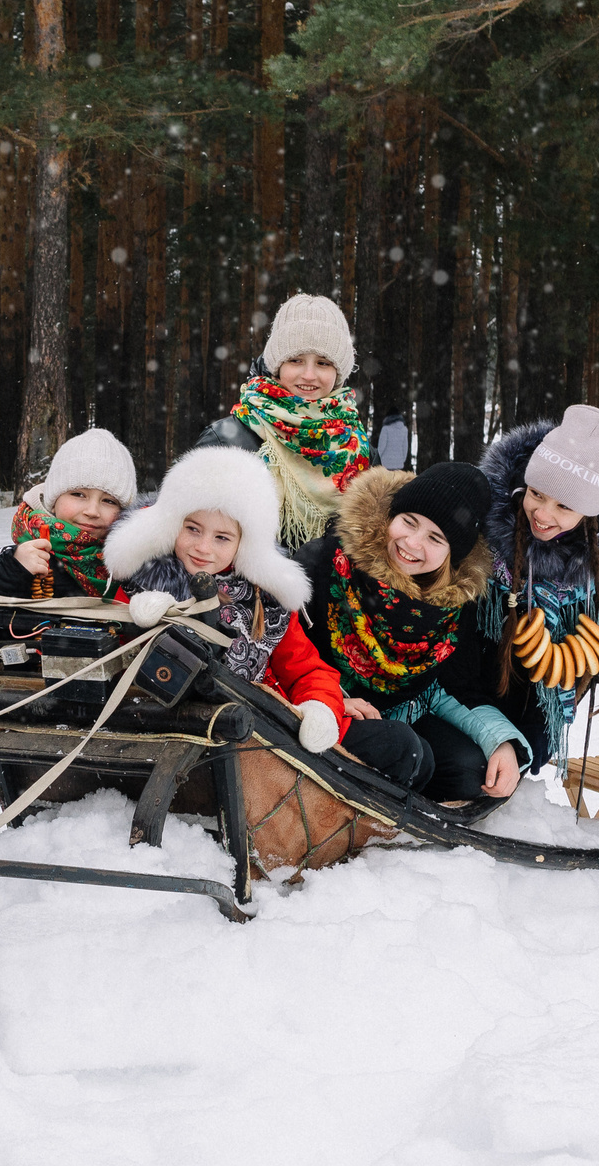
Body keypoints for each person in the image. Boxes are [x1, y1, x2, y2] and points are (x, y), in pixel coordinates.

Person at [292, 461, 531, 802]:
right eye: (408, 521)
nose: (412, 542)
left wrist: (501, 742)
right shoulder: (324, 562)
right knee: (407, 751)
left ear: (453, 554)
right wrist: (334, 698)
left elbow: (454, 686)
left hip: (402, 715)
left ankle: (395, 796)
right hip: (322, 709)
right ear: (391, 515)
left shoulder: (451, 607)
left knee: (472, 771)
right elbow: (286, 652)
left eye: (435, 538)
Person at [104, 445, 347, 760]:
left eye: (222, 537)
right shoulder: (141, 578)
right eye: (192, 529)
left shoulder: (266, 600)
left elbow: (305, 670)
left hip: (245, 740)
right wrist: (134, 625)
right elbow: (109, 659)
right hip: (155, 736)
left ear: (245, 543)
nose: (203, 547)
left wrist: (319, 707)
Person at [457, 404, 599, 771]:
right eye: (537, 493)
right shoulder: (485, 526)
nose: (542, 514)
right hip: (473, 681)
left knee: (528, 742)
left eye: (565, 506)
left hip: (541, 699)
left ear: (591, 513)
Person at [194, 291, 376, 545]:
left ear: (339, 372)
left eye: (323, 363)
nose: (309, 375)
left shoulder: (360, 450)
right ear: (277, 366)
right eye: (295, 360)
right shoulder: (226, 440)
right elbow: (192, 537)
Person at [0, 427, 137, 600]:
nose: (92, 511)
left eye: (109, 501)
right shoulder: (16, 559)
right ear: (53, 501)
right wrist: (12, 570)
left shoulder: (141, 568)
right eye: (78, 494)